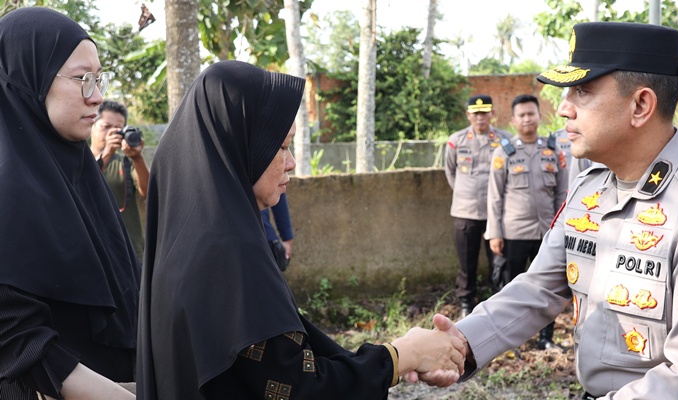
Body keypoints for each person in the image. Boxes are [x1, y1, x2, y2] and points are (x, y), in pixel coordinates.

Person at [420, 22, 678, 399]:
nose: (563, 109)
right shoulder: (589, 189)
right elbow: (538, 288)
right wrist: (463, 343)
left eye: (582, 91)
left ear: (641, 105)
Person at [136, 60, 466, 399]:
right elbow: (298, 386)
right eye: (281, 147)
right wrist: (401, 356)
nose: (291, 161)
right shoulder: (230, 252)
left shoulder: (187, 242)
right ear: (241, 148)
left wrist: (396, 353)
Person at [0, 7, 139, 399]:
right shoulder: (7, 189)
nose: (97, 96)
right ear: (29, 79)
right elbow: (18, 341)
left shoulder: (80, 174)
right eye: (82, 79)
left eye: (99, 79)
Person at [486, 94, 567, 349]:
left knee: (548, 289)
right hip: (515, 233)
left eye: (531, 113)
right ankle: (513, 338)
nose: (527, 119)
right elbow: (494, 196)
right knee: (512, 288)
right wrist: (495, 233)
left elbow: (562, 195)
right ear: (513, 120)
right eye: (521, 115)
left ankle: (546, 338)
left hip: (547, 233)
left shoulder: (553, 151)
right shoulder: (504, 152)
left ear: (539, 116)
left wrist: (560, 231)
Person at [445, 94, 513, 317]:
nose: (480, 117)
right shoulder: (456, 141)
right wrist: (467, 194)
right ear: (468, 115)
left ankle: (498, 304)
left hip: (498, 213)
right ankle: (466, 302)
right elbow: (451, 173)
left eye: (484, 113)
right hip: (467, 212)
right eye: (476, 113)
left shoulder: (505, 140)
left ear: (492, 114)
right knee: (467, 261)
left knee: (499, 262)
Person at [90, 100, 149, 263]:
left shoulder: (126, 163)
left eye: (119, 128)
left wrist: (137, 157)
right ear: (92, 126)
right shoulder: (79, 160)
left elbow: (148, 192)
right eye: (106, 126)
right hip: (94, 252)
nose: (113, 132)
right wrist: (107, 152)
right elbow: (83, 182)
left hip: (130, 251)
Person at [262, 193, 294, 271]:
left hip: (264, 237)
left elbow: (278, 189)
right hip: (263, 237)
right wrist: (287, 236)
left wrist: (287, 236)